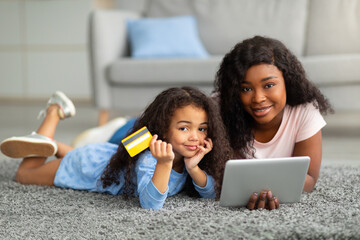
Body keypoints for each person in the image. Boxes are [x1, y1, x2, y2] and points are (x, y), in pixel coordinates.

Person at [0, 87, 232, 210]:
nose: (195, 137)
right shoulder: (151, 159)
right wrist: (164, 164)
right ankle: (53, 112)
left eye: (202, 129)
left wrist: (193, 169)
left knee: (65, 154)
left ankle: (54, 147)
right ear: (163, 128)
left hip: (102, 156)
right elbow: (151, 204)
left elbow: (210, 194)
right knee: (24, 175)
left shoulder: (190, 157)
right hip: (84, 167)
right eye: (184, 128)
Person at [214, 36, 333, 210]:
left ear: (287, 81)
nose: (258, 98)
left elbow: (308, 179)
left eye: (269, 85)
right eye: (246, 89)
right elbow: (212, 175)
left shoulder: (304, 111)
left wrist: (258, 189)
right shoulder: (219, 109)